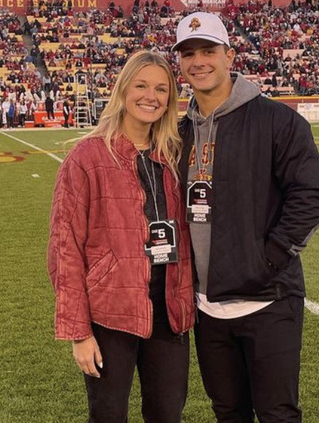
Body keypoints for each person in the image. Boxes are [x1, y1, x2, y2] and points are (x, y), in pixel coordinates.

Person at [172, 12, 319, 422]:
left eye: (208, 50)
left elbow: (312, 196)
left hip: (268, 299)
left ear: (229, 54)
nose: (199, 62)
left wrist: (269, 259)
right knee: (228, 412)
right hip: (207, 306)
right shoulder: (178, 133)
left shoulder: (277, 120)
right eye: (188, 54)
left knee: (277, 413)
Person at [47, 50, 195, 423]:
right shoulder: (87, 157)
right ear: (123, 90)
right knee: (109, 416)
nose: (151, 96)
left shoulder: (174, 155)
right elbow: (65, 250)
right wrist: (79, 333)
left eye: (162, 89)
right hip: (110, 313)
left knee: (167, 414)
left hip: (168, 310)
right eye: (141, 85)